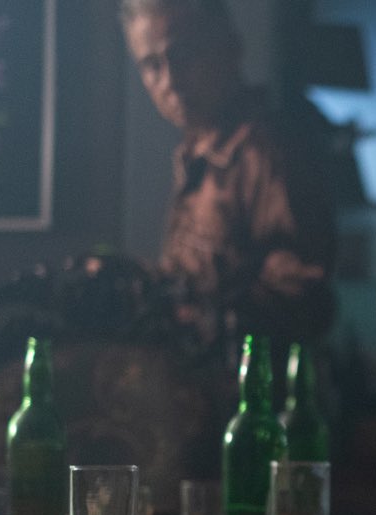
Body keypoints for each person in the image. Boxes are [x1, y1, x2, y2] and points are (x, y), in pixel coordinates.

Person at [120, 0, 341, 350]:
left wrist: (202, 318)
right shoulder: (198, 147)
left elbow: (304, 299)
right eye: (152, 65)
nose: (170, 80)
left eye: (184, 54)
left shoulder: (266, 152)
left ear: (229, 49)